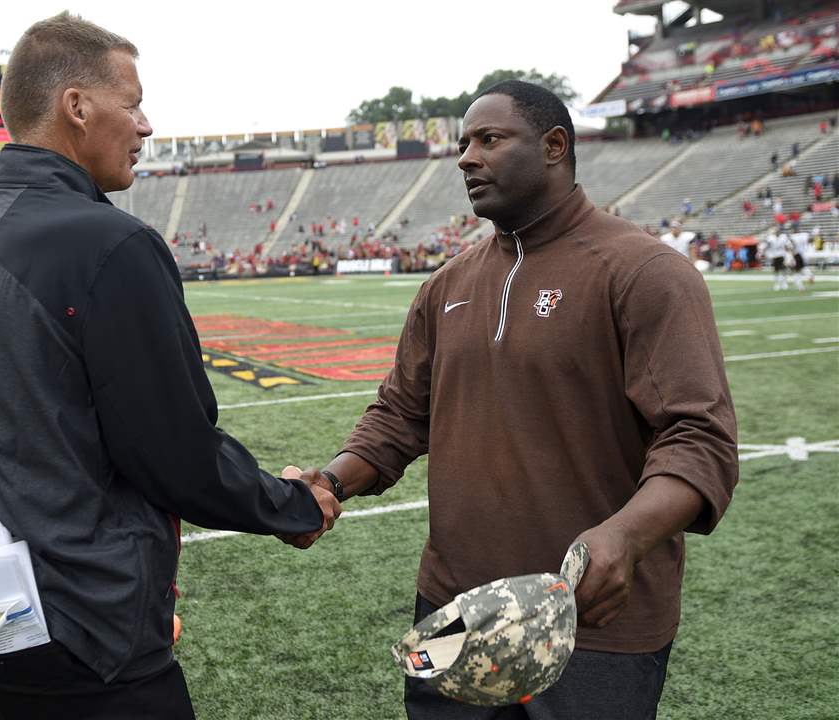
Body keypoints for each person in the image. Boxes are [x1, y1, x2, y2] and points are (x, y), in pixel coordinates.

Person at [0, 13, 339, 720]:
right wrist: (289, 506)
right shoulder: (106, 243)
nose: (146, 125)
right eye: (131, 103)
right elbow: (174, 451)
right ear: (77, 106)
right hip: (78, 629)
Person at [289, 81, 738, 719]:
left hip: (591, 620)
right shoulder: (445, 285)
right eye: (464, 144)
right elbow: (398, 417)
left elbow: (701, 441)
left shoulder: (645, 273)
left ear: (555, 146)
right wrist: (330, 481)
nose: (466, 158)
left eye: (489, 139)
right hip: (454, 608)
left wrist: (626, 536)